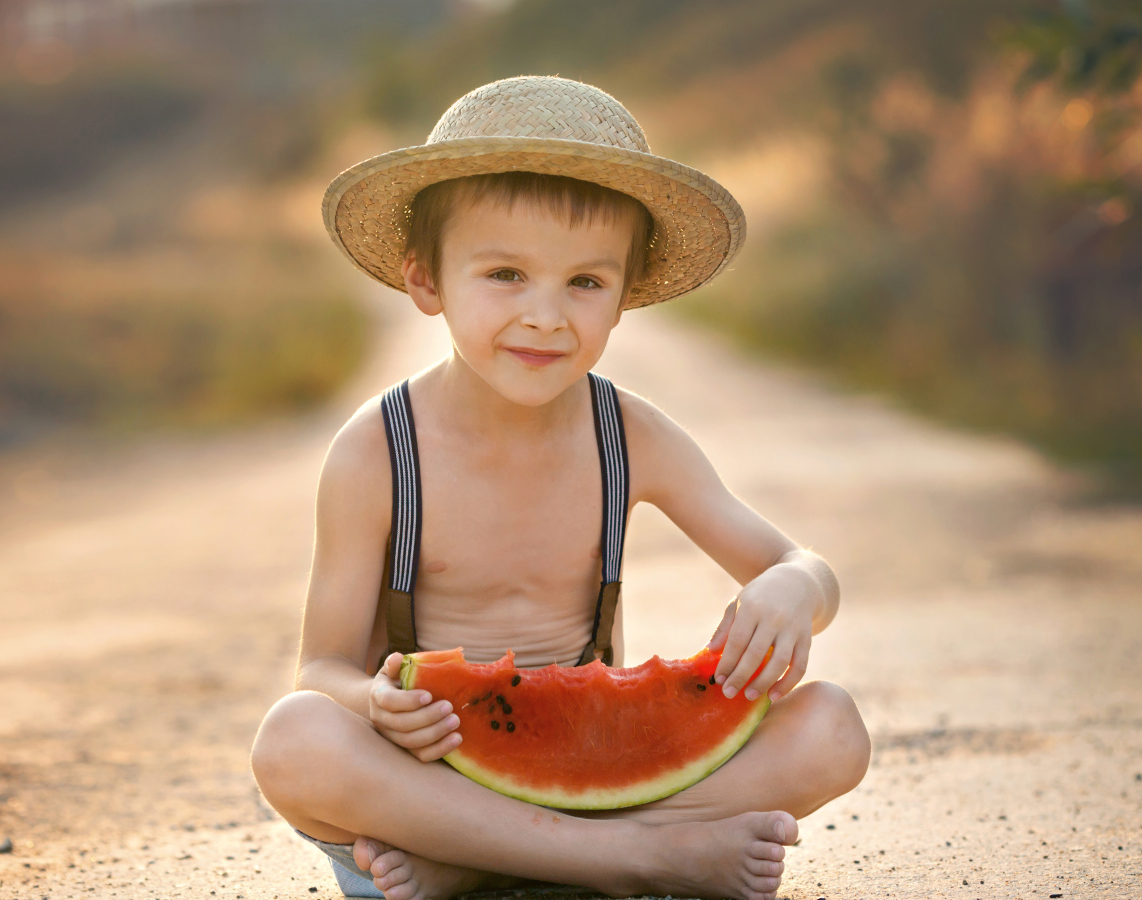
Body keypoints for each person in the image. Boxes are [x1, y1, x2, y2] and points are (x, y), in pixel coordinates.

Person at [249, 75, 870, 900]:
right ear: (426, 283)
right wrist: (372, 704)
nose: (546, 316)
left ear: (624, 297)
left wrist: (795, 586)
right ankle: (644, 861)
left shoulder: (629, 436)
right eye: (505, 273)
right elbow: (321, 669)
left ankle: (484, 870)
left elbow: (797, 562)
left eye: (585, 282)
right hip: (425, 794)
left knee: (834, 729)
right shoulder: (377, 453)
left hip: (605, 786)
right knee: (292, 741)